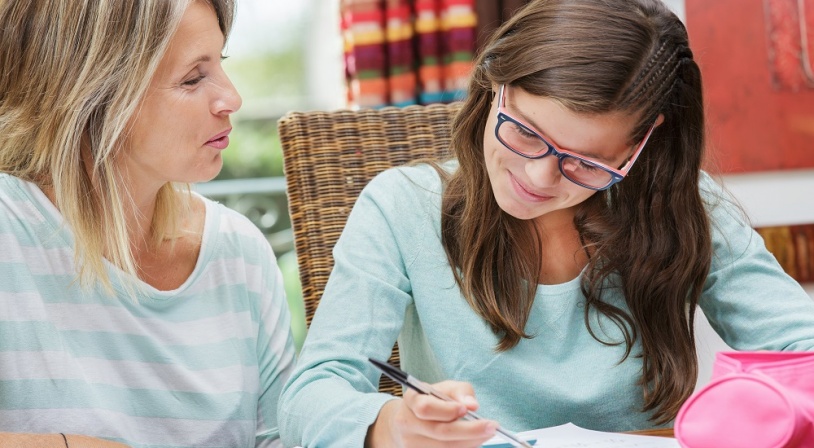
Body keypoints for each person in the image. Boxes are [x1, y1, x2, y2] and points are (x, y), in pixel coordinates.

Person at [277, 0, 814, 446]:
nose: (537, 176)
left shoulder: (686, 205)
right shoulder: (402, 207)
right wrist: (390, 425)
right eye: (525, 131)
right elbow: (310, 396)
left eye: (586, 162)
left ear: (641, 146)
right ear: (494, 85)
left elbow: (804, 351)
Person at [0, 1, 296, 447]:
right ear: (94, 94)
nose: (231, 98)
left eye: (221, 63)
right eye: (194, 77)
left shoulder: (241, 253)